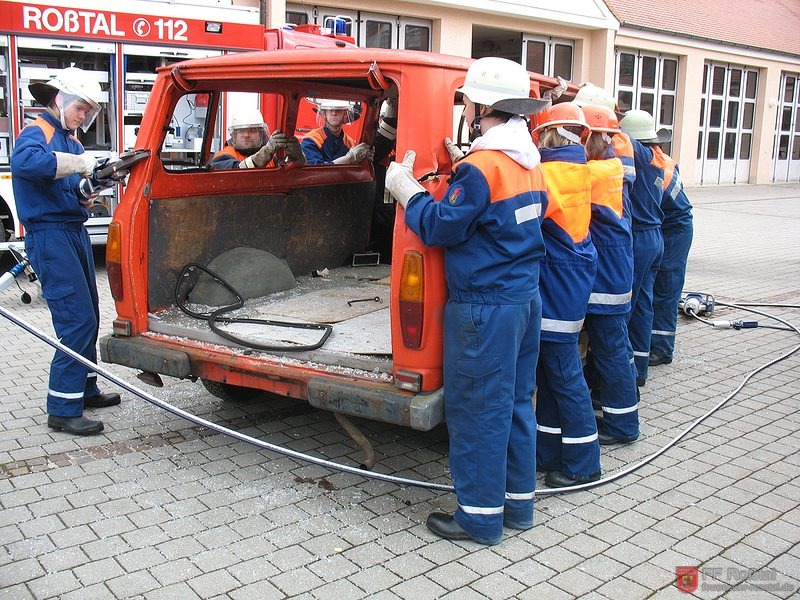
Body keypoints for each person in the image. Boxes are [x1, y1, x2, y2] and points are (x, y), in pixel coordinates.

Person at [385, 56, 549, 545]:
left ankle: (479, 518)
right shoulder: (528, 162)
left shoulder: (480, 169)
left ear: (480, 106)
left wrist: (406, 190)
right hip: (523, 302)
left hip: (484, 308)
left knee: (479, 411)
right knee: (517, 405)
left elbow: (438, 227)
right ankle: (517, 508)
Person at [10, 67, 122, 436]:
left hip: (72, 232)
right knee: (75, 320)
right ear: (61, 100)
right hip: (50, 236)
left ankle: (83, 388)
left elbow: (72, 189)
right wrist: (82, 163)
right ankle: (61, 408)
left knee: (88, 313)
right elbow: (26, 164)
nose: (84, 116)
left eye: (89, 111)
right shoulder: (37, 131)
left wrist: (96, 182)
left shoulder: (70, 141)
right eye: (81, 108)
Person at [531, 102, 601, 488]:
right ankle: (549, 452)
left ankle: (583, 464)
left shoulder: (547, 172)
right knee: (552, 371)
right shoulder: (581, 169)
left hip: (558, 277)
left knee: (562, 372)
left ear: (545, 135)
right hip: (570, 274)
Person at [580, 104, 639, 445]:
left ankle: (622, 425)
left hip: (607, 277)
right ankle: (622, 409)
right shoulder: (611, 166)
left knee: (611, 348)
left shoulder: (595, 173)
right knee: (614, 346)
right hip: (613, 271)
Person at [618, 110, 668, 387]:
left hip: (639, 239)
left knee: (625, 310)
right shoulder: (658, 158)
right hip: (654, 238)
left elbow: (622, 138)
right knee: (642, 306)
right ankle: (639, 368)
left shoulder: (638, 154)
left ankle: (622, 376)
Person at [649, 134, 694, 366]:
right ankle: (654, 342)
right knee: (660, 287)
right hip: (672, 225)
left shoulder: (657, 167)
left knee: (666, 288)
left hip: (674, 228)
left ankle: (662, 349)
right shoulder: (661, 159)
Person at [210, 108, 305, 169]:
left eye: (252, 130)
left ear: (261, 134)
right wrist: (266, 152)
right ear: (234, 135)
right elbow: (238, 170)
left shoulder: (274, 155)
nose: (246, 135)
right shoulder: (223, 156)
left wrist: (297, 158)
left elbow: (290, 172)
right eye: (241, 131)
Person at [300, 99, 374, 165]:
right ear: (324, 114)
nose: (333, 113)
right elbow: (316, 171)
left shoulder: (350, 143)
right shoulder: (311, 140)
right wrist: (349, 158)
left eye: (338, 110)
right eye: (329, 110)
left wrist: (365, 156)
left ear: (345, 114)